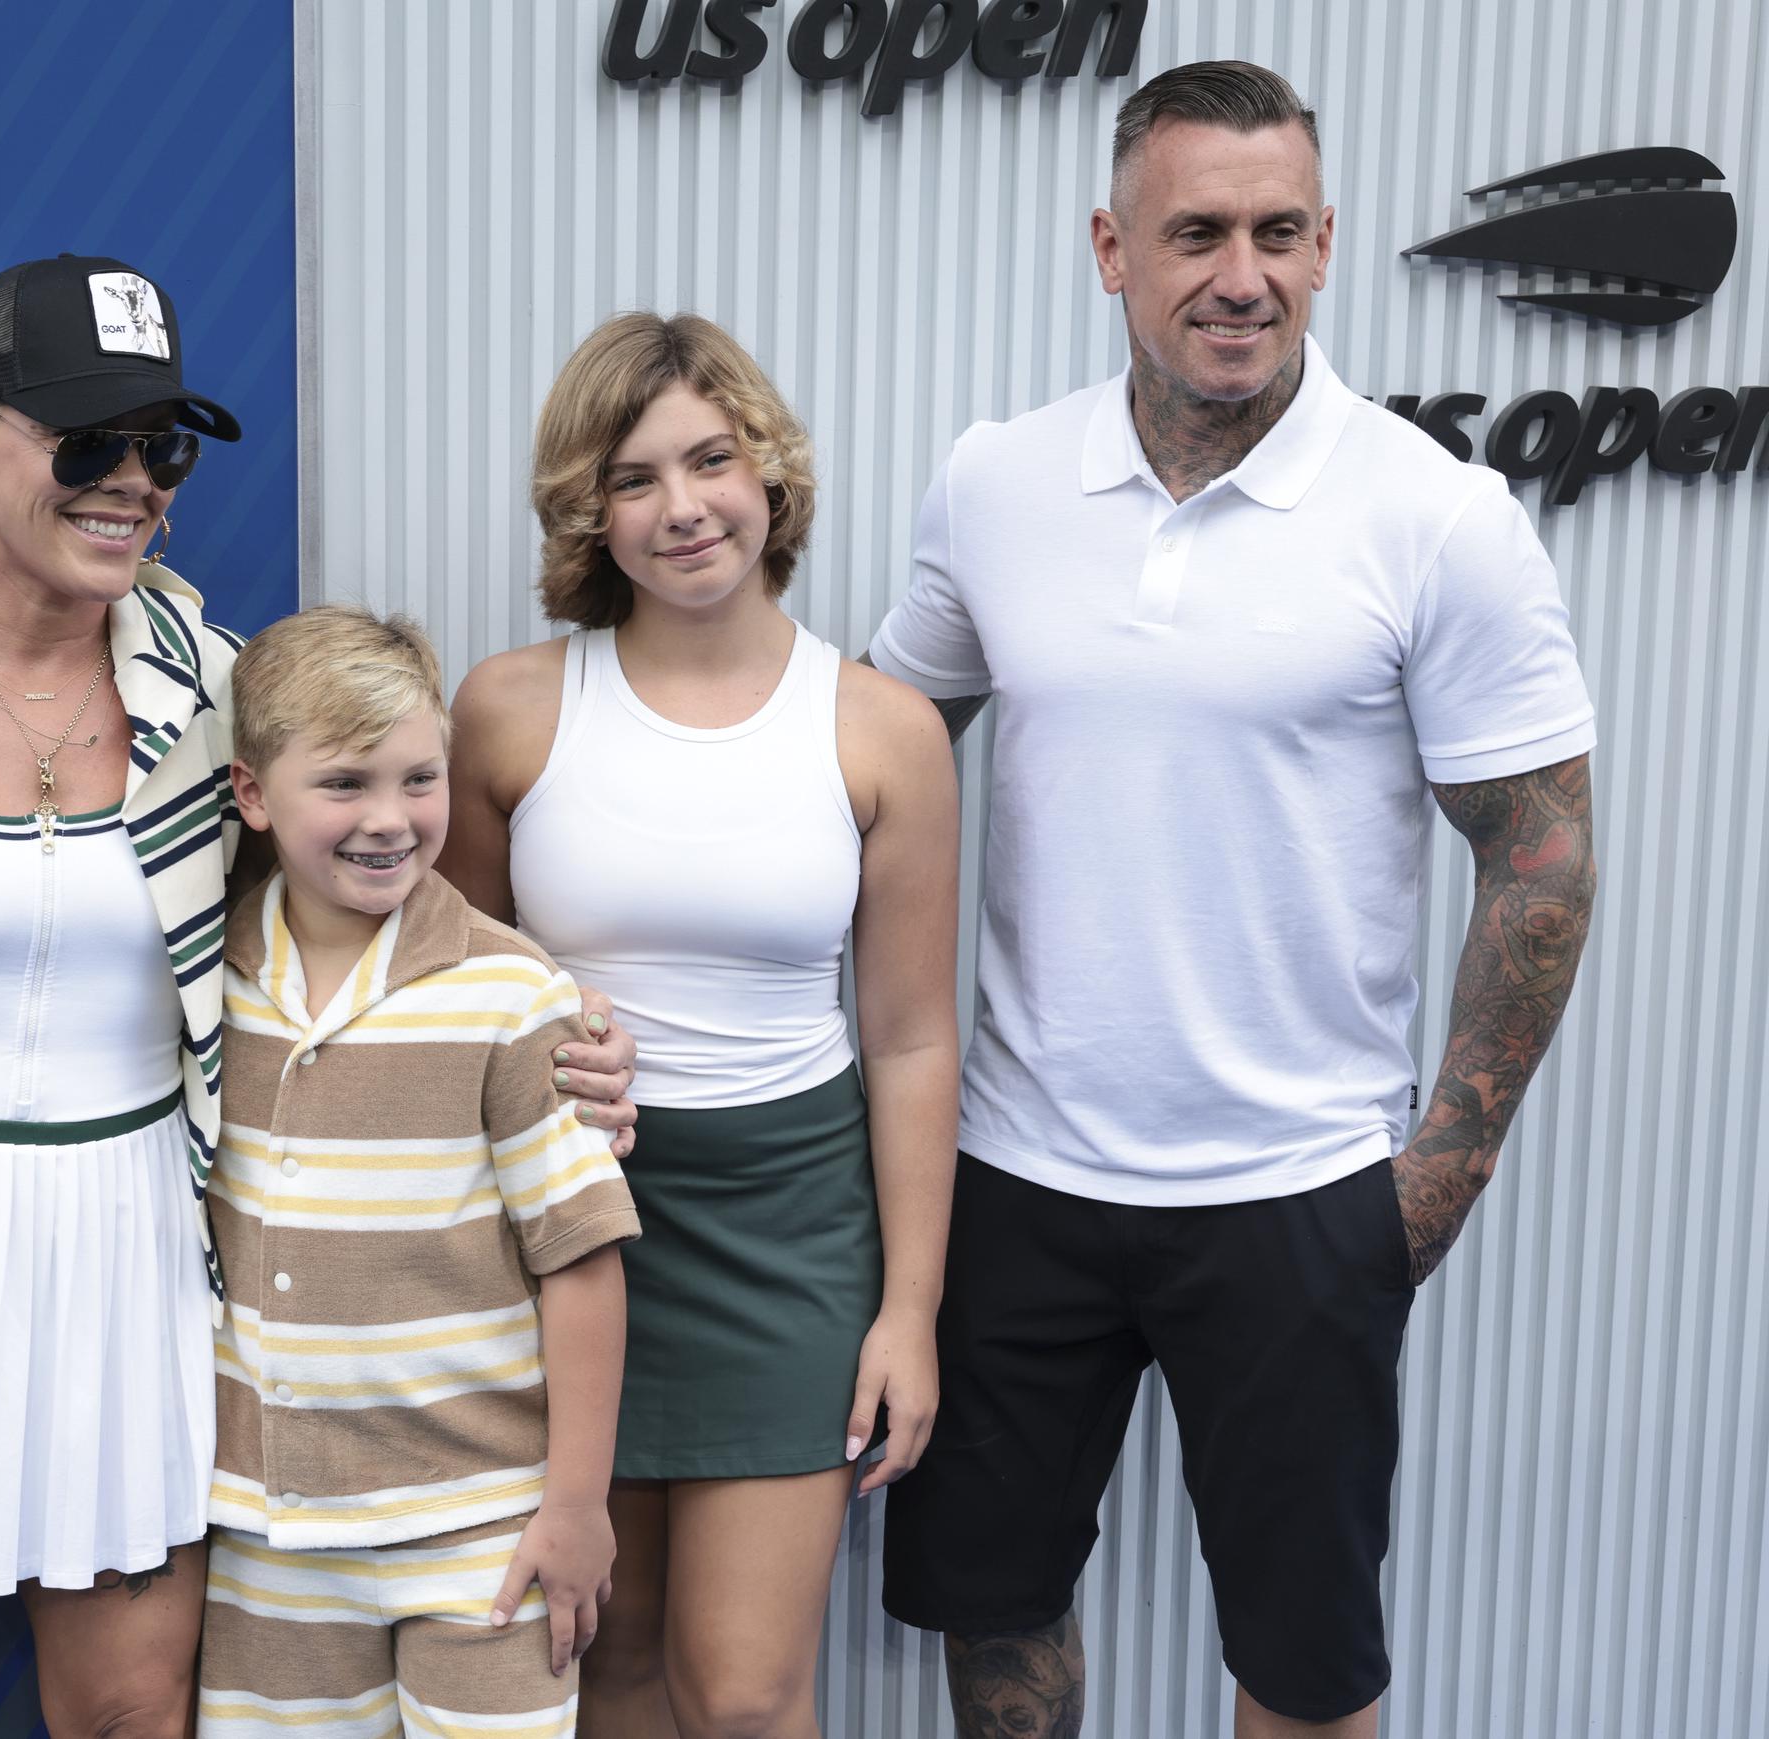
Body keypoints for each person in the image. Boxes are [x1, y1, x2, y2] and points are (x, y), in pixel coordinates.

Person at [0, 255, 638, 1739]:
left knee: (133, 1707)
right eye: (89, 439)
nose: (133, 480)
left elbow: (367, 915)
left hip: (128, 1246)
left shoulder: (218, 694)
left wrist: (567, 1039)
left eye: (163, 445)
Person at [870, 63, 1599, 1739]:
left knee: (1305, 1654)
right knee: (998, 1612)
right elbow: (880, 751)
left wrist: (1438, 1170)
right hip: (1021, 1170)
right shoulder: (998, 481)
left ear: (1328, 243)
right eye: (1197, 231)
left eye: (1278, 231)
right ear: (1111, 248)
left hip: (1297, 1185)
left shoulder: (1436, 516)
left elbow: (1544, 852)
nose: (1240, 274)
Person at [443, 313, 962, 1738]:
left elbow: (914, 1041)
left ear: (769, 474)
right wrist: (551, 1045)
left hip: (789, 1229)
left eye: (713, 459)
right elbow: (450, 998)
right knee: (599, 1667)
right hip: (567, 1225)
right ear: (587, 514)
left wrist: (909, 1310)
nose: (682, 507)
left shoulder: (879, 729)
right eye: (633, 477)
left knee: (738, 1692)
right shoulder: (505, 712)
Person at [196, 604, 641, 1737]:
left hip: (481, 1532)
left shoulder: (515, 991)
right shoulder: (208, 982)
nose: (389, 819)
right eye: (344, 783)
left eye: (419, 778)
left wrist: (577, 1503)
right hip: (270, 1535)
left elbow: (581, 1261)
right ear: (253, 794)